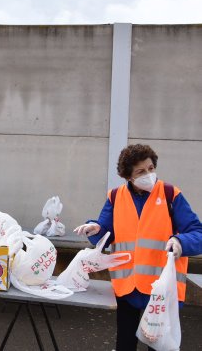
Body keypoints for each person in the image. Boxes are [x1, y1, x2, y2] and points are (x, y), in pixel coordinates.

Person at [74, 144, 202, 351]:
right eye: (141, 171)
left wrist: (181, 242)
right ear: (128, 176)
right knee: (125, 342)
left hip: (162, 286)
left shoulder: (171, 194)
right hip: (128, 286)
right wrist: (95, 229)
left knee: (158, 344)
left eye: (151, 168)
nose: (149, 175)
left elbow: (197, 233)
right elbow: (106, 233)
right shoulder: (115, 197)